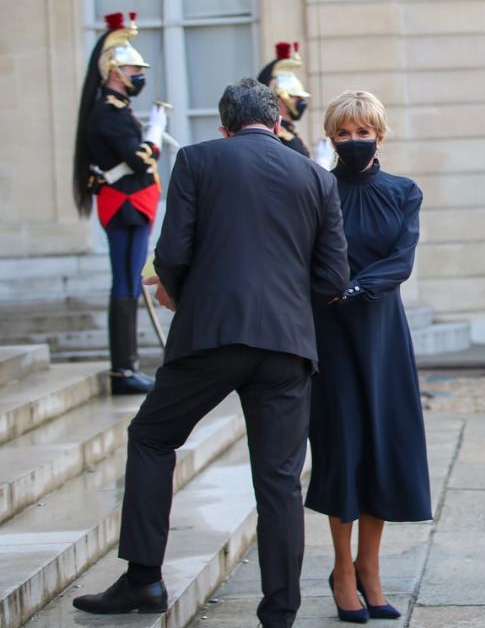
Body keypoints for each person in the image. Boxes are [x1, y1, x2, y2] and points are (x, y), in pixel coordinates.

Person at [71, 77, 349, 628]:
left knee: (152, 437)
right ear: (277, 122)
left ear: (224, 128)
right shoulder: (317, 176)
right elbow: (334, 276)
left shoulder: (198, 159)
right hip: (286, 344)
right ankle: (280, 612)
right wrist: (288, 306)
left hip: (211, 333)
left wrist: (181, 294)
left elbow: (173, 251)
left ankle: (143, 579)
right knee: (279, 480)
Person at [305, 91, 432, 623]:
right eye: (343, 133)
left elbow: (401, 260)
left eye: (363, 132)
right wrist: (332, 292)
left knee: (381, 446)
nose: (353, 141)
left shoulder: (404, 191)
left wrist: (353, 290)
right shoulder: (316, 189)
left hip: (382, 334)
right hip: (330, 334)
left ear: (380, 136)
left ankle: (369, 568)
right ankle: (341, 570)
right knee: (342, 447)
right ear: (331, 138)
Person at [73, 11, 167, 395]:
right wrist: (155, 134)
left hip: (130, 202)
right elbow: (139, 159)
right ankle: (123, 370)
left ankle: (126, 367)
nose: (139, 75)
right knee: (126, 282)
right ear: (114, 71)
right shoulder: (108, 111)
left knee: (129, 281)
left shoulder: (116, 107)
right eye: (133, 69)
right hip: (125, 203)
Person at [257, 41, 312, 157]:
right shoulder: (284, 139)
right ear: (281, 101)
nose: (301, 102)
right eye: (296, 97)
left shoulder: (289, 134)